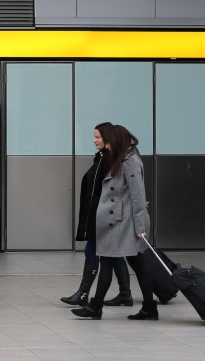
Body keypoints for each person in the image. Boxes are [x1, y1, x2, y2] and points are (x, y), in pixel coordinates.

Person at [72, 125, 157, 320]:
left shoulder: (130, 162)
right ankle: (147, 307)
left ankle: (97, 307)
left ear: (116, 140)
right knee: (127, 263)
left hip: (124, 224)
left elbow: (137, 196)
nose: (103, 144)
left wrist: (140, 227)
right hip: (117, 222)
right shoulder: (122, 158)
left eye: (106, 141)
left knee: (118, 263)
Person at [60, 122, 132, 307]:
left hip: (102, 215)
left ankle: (83, 294)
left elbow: (104, 190)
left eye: (98, 137)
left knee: (92, 251)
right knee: (114, 255)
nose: (94, 140)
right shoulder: (103, 157)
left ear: (108, 138)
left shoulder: (107, 158)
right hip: (101, 214)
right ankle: (125, 294)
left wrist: (94, 215)